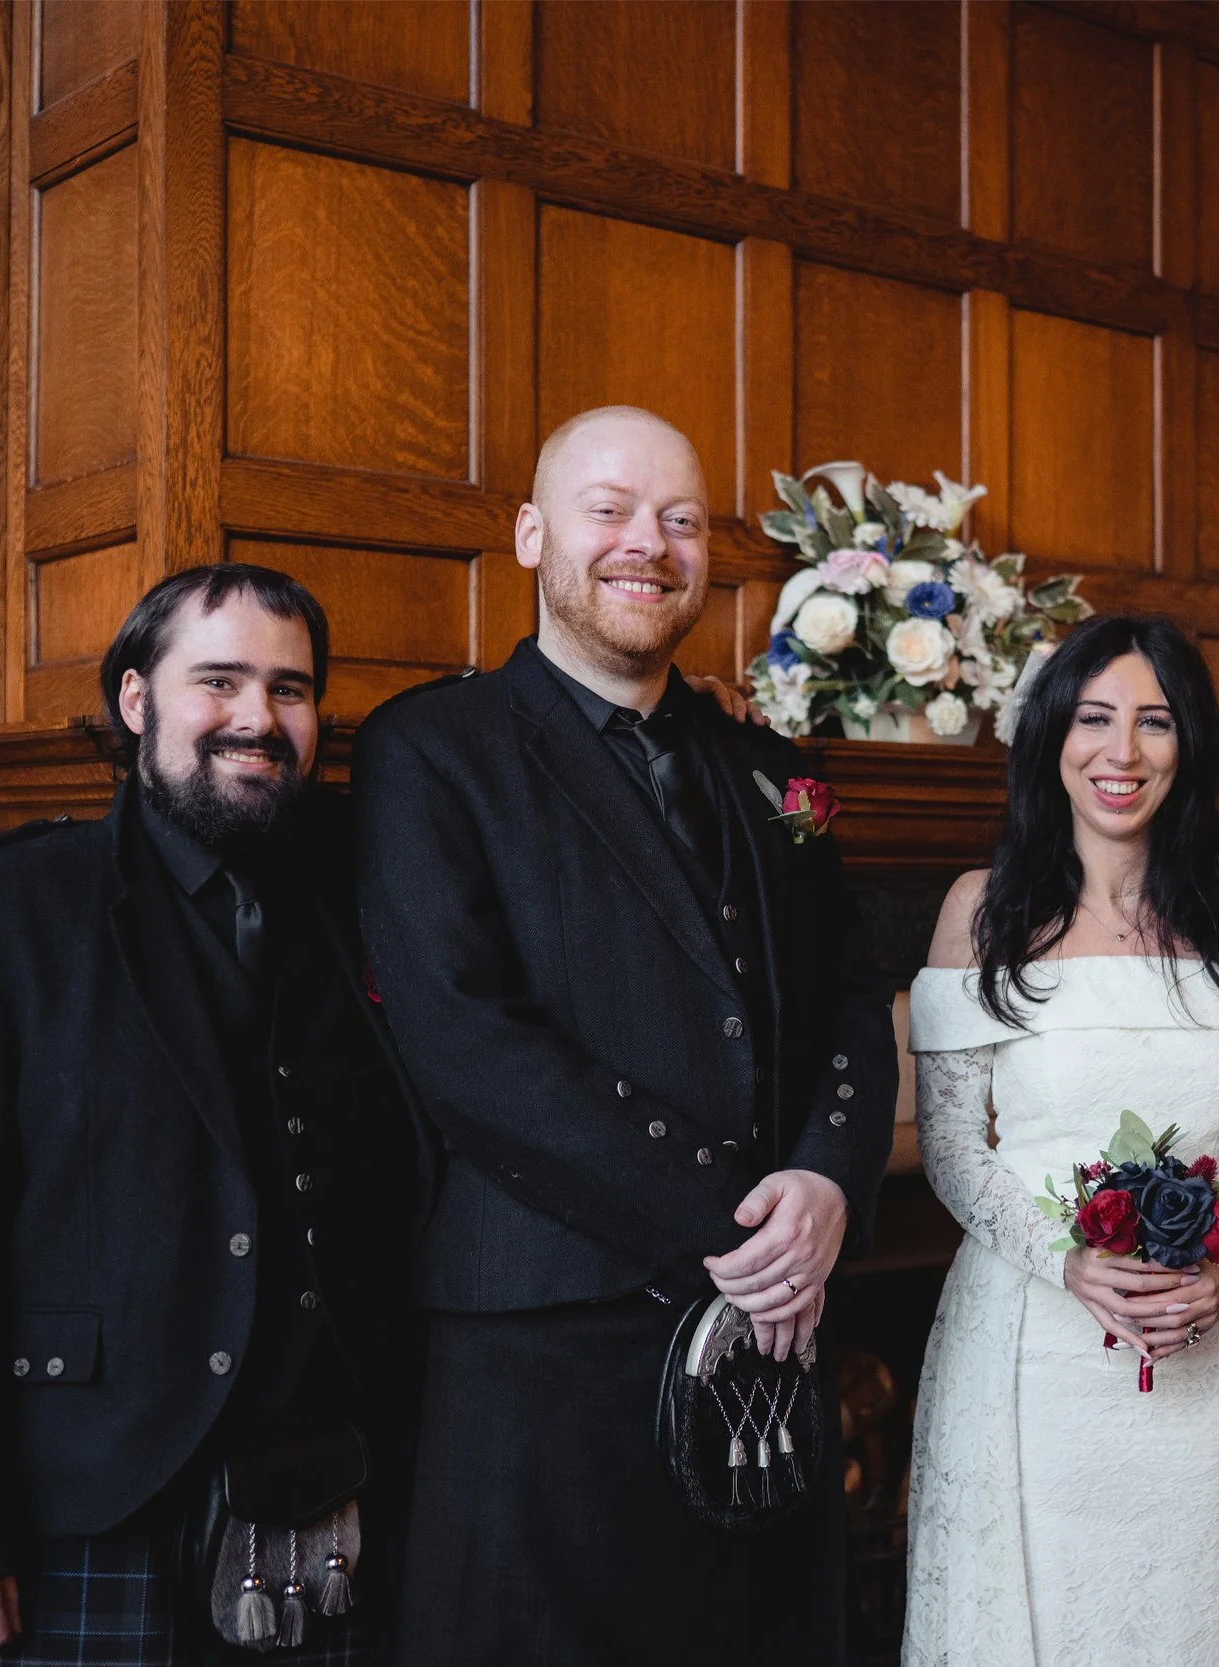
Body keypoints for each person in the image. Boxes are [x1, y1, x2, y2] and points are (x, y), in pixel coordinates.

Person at [353, 405, 899, 1667]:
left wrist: (825, 1177)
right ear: (535, 533)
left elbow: (846, 1002)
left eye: (680, 519)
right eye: (609, 509)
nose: (645, 543)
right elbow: (467, 1042)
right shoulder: (429, 749)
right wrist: (745, 1226)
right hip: (539, 1355)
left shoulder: (767, 766)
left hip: (767, 1348)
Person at [0, 563, 420, 1663]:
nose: (258, 717)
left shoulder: (369, 893)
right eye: (219, 680)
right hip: (78, 1499)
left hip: (321, 1493)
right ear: (134, 698)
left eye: (291, 689)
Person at [901, 614, 1219, 1667]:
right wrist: (1070, 1259)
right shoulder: (981, 910)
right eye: (1095, 718)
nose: (1123, 752)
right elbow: (955, 1146)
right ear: (1053, 734)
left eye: (1155, 721)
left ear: (1189, 745)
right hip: (1034, 1341)